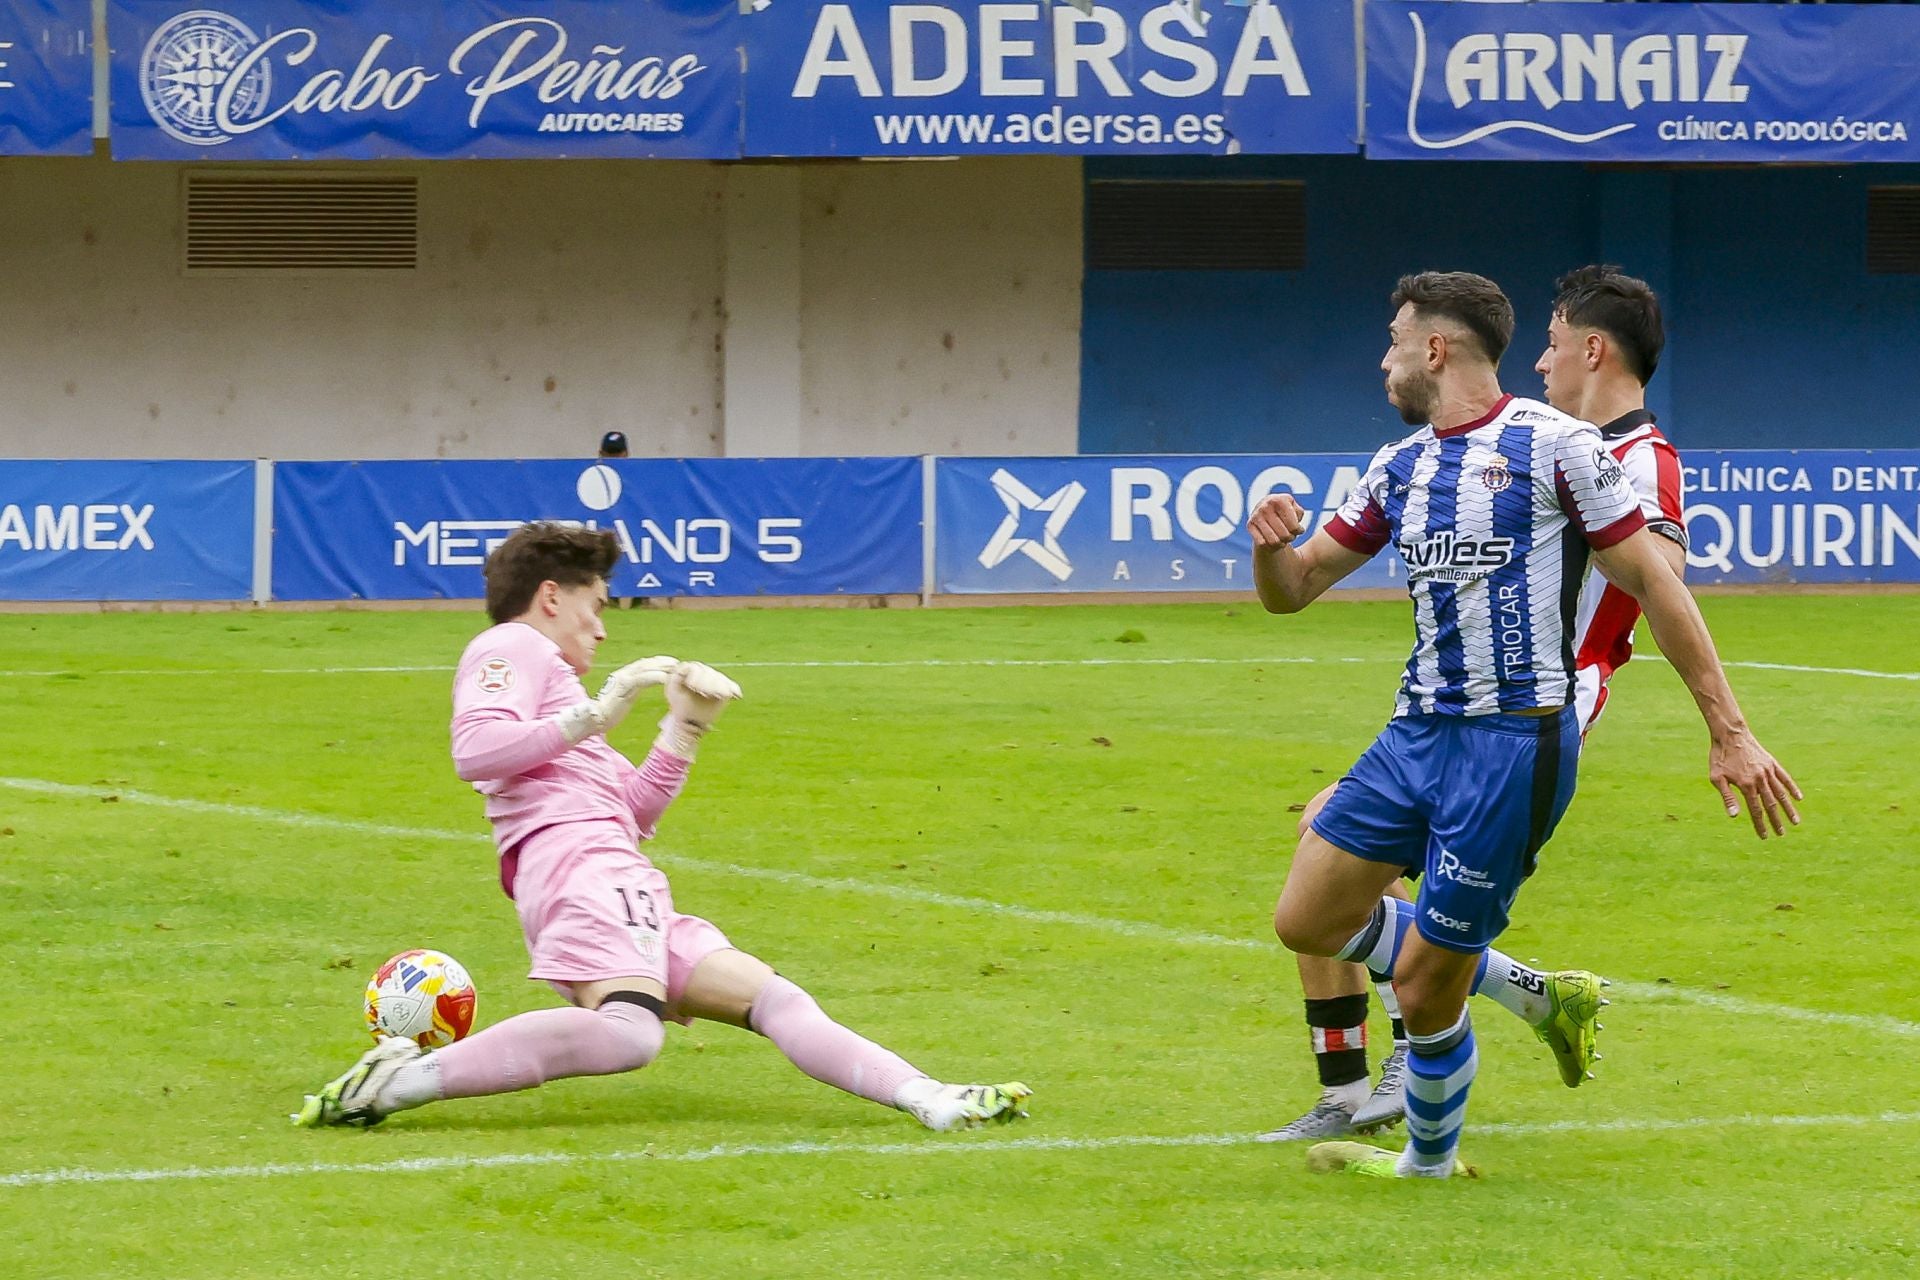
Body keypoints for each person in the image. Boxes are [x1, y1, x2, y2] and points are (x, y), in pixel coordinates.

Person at [1249, 271, 1799, 1178]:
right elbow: (1295, 589)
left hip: (1516, 740)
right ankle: (1533, 995)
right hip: (1416, 729)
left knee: (1428, 985)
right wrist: (1270, 552)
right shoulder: (1399, 465)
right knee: (1306, 917)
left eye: (1394, 339)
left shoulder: (1558, 447)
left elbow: (1656, 583)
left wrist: (1729, 728)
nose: (1382, 357)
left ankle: (1427, 1161)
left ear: (1435, 347)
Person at [294, 522, 1030, 1132]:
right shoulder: (512, 646)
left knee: (774, 999)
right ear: (551, 596)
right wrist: (596, 714)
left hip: (620, 875)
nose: (604, 628)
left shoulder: (566, 703)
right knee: (628, 1033)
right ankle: (395, 1083)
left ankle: (931, 1098)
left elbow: (635, 811)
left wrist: (684, 727)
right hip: (579, 869)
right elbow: (474, 748)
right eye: (597, 604)